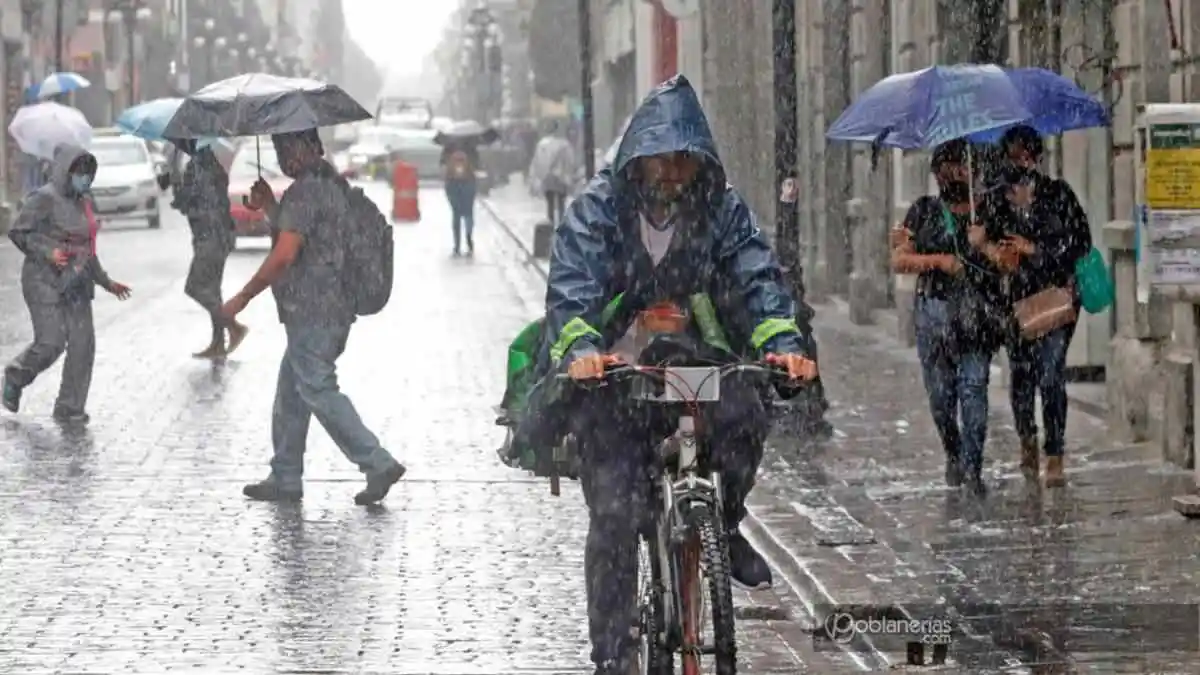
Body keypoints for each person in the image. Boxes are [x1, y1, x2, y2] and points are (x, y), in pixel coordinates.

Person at [528, 75, 818, 674]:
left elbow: (757, 280)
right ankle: (613, 655)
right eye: (662, 159)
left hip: (695, 363)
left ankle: (724, 526)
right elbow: (572, 292)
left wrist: (782, 345)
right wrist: (584, 347)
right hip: (615, 377)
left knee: (744, 415)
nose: (672, 172)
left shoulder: (722, 210)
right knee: (614, 518)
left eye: (685, 160)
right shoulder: (595, 210)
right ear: (638, 156)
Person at [221, 129, 406, 505]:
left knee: (318, 389)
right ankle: (285, 475)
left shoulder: (307, 190)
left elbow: (286, 253)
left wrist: (243, 296)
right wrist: (271, 207)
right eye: (280, 148)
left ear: (313, 148)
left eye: (292, 146)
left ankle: (376, 461)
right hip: (329, 310)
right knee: (292, 391)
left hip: (314, 312)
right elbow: (311, 235)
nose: (286, 155)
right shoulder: (327, 186)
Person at [890, 139, 1015, 495]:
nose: (954, 174)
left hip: (977, 313)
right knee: (941, 395)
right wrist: (939, 262)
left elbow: (1010, 263)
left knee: (974, 389)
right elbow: (899, 260)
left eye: (961, 165)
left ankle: (973, 468)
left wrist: (984, 245)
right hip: (934, 310)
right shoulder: (923, 211)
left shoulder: (988, 211)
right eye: (946, 167)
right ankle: (953, 451)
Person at [1, 144, 132, 423]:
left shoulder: (84, 201)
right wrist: (49, 251)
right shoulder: (43, 198)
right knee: (52, 342)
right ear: (65, 170)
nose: (85, 178)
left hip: (77, 281)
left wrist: (107, 282)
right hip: (43, 281)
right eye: (79, 172)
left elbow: (88, 249)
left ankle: (70, 406)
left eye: (89, 173)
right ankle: (15, 376)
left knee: (83, 345)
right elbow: (19, 233)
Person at [996, 125, 1093, 487]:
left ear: (1036, 157)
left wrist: (1033, 249)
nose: (1021, 162)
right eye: (1013, 155)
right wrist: (999, 251)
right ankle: (1027, 439)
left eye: (1026, 154)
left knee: (1051, 375)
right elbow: (990, 254)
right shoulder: (997, 202)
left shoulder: (1059, 196)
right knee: (1021, 377)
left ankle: (1055, 452)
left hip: (1055, 301)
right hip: (1016, 303)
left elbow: (1080, 244)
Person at [172, 141, 248, 358]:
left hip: (211, 236)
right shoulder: (209, 164)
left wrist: (178, 189)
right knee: (213, 289)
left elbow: (194, 204)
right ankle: (218, 342)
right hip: (218, 235)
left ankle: (232, 326)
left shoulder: (198, 168)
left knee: (195, 287)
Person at [529, 121, 577, 225]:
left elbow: (537, 161)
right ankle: (561, 224)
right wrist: (570, 175)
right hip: (561, 178)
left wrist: (538, 177)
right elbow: (570, 161)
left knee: (550, 203)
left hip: (547, 177)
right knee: (561, 202)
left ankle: (551, 224)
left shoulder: (542, 144)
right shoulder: (564, 144)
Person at [440, 142, 478, 256]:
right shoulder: (471, 149)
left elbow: (442, 165)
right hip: (467, 184)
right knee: (468, 214)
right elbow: (477, 166)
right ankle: (468, 239)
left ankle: (457, 245)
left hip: (453, 184)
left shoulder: (448, 148)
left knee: (456, 215)